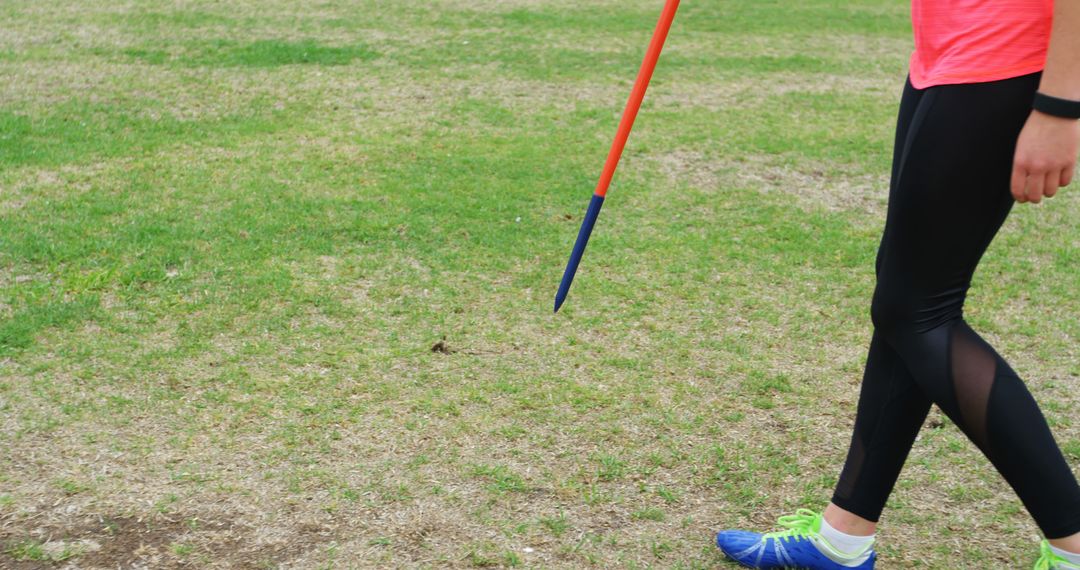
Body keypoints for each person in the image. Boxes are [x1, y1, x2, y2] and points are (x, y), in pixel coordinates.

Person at [714, 1, 1080, 568]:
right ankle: (843, 538)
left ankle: (1074, 542)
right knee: (905, 301)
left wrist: (1060, 104)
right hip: (948, 55)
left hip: (1008, 61)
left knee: (917, 310)